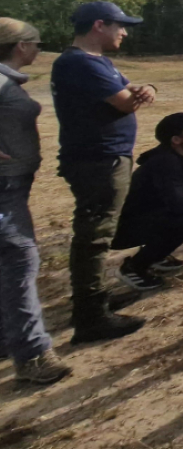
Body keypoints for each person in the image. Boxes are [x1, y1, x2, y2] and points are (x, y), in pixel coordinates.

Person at [52, 0, 155, 344]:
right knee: (95, 236)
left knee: (98, 233)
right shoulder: (80, 63)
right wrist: (141, 93)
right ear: (99, 25)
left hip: (103, 158)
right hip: (98, 161)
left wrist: (148, 89)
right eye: (119, 25)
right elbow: (126, 100)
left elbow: (131, 91)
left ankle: (94, 303)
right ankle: (91, 317)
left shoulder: (96, 62)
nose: (124, 32)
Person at [0, 19, 73, 384]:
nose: (39, 50)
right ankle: (32, 355)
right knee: (20, 259)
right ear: (21, 46)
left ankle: (7, 338)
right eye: (37, 44)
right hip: (3, 189)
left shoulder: (7, 80)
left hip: (12, 186)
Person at [112, 113, 183, 291]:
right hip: (125, 227)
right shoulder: (165, 161)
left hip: (155, 214)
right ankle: (134, 267)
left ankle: (156, 255)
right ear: (176, 140)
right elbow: (179, 203)